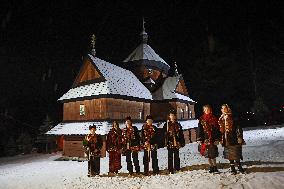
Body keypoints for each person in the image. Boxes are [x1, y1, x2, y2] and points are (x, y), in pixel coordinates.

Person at [218, 104, 245, 174]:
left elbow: (238, 127)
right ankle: (232, 168)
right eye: (222, 108)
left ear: (228, 109)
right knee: (229, 154)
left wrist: (239, 136)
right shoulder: (221, 119)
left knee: (236, 153)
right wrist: (220, 139)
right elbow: (220, 130)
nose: (223, 110)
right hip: (226, 138)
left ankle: (239, 166)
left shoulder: (233, 117)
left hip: (234, 137)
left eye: (225, 108)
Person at [197, 105, 221, 173]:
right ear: (204, 110)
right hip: (205, 139)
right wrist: (200, 139)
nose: (207, 111)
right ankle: (211, 167)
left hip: (213, 138)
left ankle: (215, 166)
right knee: (208, 154)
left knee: (213, 154)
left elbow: (217, 129)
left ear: (210, 110)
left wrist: (217, 139)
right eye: (205, 109)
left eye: (208, 109)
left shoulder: (214, 118)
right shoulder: (201, 119)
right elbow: (199, 130)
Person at [163, 109, 185, 174]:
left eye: (173, 115)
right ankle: (170, 169)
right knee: (170, 156)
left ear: (175, 116)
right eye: (171, 115)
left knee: (176, 155)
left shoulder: (178, 124)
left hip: (177, 142)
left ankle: (177, 168)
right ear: (169, 116)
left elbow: (181, 134)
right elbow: (164, 134)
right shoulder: (166, 124)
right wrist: (166, 134)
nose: (172, 116)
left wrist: (182, 142)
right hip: (170, 142)